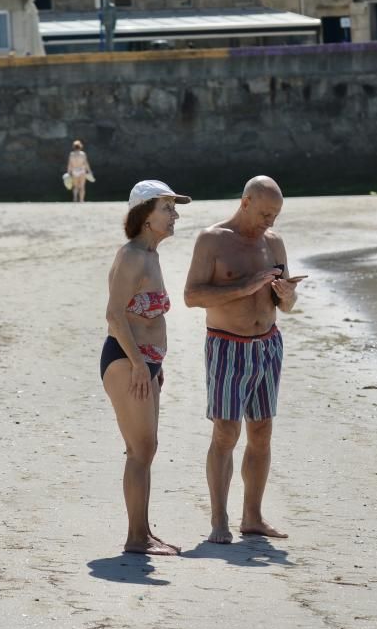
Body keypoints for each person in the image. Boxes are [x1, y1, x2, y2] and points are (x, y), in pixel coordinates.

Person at [184, 176, 301, 544]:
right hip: (226, 345)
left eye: (276, 214)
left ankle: (252, 516)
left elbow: (288, 306)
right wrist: (245, 287)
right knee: (225, 432)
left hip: (268, 344)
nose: (271, 221)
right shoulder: (213, 239)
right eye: (266, 213)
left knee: (262, 431)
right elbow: (192, 296)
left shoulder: (274, 242)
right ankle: (219, 520)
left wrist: (287, 295)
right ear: (245, 202)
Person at [101, 180, 192, 556]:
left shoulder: (151, 255)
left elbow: (149, 319)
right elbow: (114, 316)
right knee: (141, 449)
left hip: (145, 361)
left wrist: (156, 364)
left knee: (146, 448)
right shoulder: (132, 256)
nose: (175, 215)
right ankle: (136, 538)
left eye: (174, 208)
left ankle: (143, 532)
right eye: (167, 208)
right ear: (145, 216)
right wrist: (140, 364)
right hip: (126, 360)